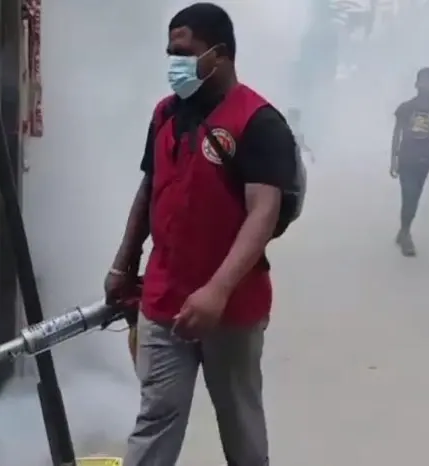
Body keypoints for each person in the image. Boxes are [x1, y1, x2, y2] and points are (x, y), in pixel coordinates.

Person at [104, 3, 298, 465]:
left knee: (239, 421)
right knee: (156, 417)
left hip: (232, 307)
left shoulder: (258, 122)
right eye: (170, 53)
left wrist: (217, 291)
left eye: (185, 53)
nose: (175, 63)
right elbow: (150, 188)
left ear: (221, 54)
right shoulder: (165, 114)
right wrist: (123, 263)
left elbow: (263, 212)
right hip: (163, 298)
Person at [390, 67, 429, 257]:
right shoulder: (406, 107)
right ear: (416, 83)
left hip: (424, 157)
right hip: (406, 155)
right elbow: (397, 133)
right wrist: (393, 159)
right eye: (423, 80)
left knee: (415, 197)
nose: (425, 84)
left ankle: (404, 229)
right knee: (408, 194)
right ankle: (406, 234)